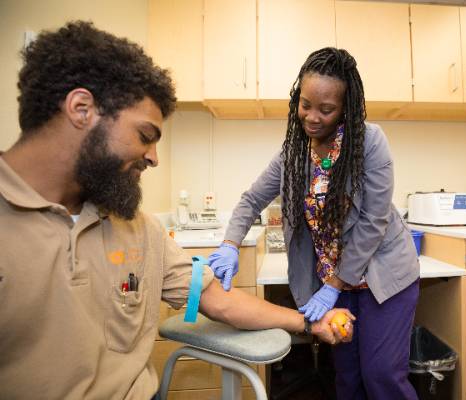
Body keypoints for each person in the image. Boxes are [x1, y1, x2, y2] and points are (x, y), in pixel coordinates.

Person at [0, 22, 354, 400]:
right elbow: (251, 201)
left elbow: (220, 301)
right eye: (145, 136)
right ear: (81, 109)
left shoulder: (140, 230)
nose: (153, 158)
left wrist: (310, 322)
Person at [208, 47, 421, 399]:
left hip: (384, 279)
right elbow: (250, 200)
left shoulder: (370, 143)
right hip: (334, 288)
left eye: (326, 109)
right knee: (348, 378)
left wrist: (335, 284)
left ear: (345, 110)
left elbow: (373, 222)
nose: (312, 117)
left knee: (382, 376)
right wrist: (230, 244)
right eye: (305, 104)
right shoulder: (292, 155)